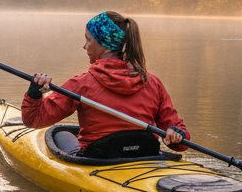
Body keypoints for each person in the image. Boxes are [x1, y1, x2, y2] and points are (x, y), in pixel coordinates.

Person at [22, 11, 189, 158]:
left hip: (98, 158)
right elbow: (181, 143)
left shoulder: (81, 84)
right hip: (145, 153)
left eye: (88, 40)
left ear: (105, 46)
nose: (84, 46)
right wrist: (177, 134)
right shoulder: (152, 82)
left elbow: (33, 120)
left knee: (60, 134)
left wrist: (34, 92)